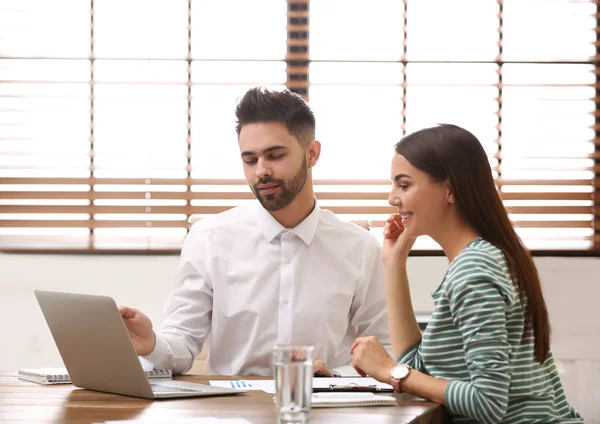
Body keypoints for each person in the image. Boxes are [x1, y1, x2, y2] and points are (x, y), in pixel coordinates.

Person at [119, 87, 391, 376]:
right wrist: (151, 344)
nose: (261, 171)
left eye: (274, 156)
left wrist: (335, 375)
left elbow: (386, 351)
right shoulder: (208, 238)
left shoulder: (360, 247)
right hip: (233, 410)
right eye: (250, 160)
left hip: (324, 409)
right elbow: (182, 344)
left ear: (312, 154)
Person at [350, 124, 583, 423]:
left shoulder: (474, 271)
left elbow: (487, 403)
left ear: (451, 190)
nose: (391, 198)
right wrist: (393, 265)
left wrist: (389, 371)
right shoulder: (484, 258)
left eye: (404, 185)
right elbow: (421, 371)